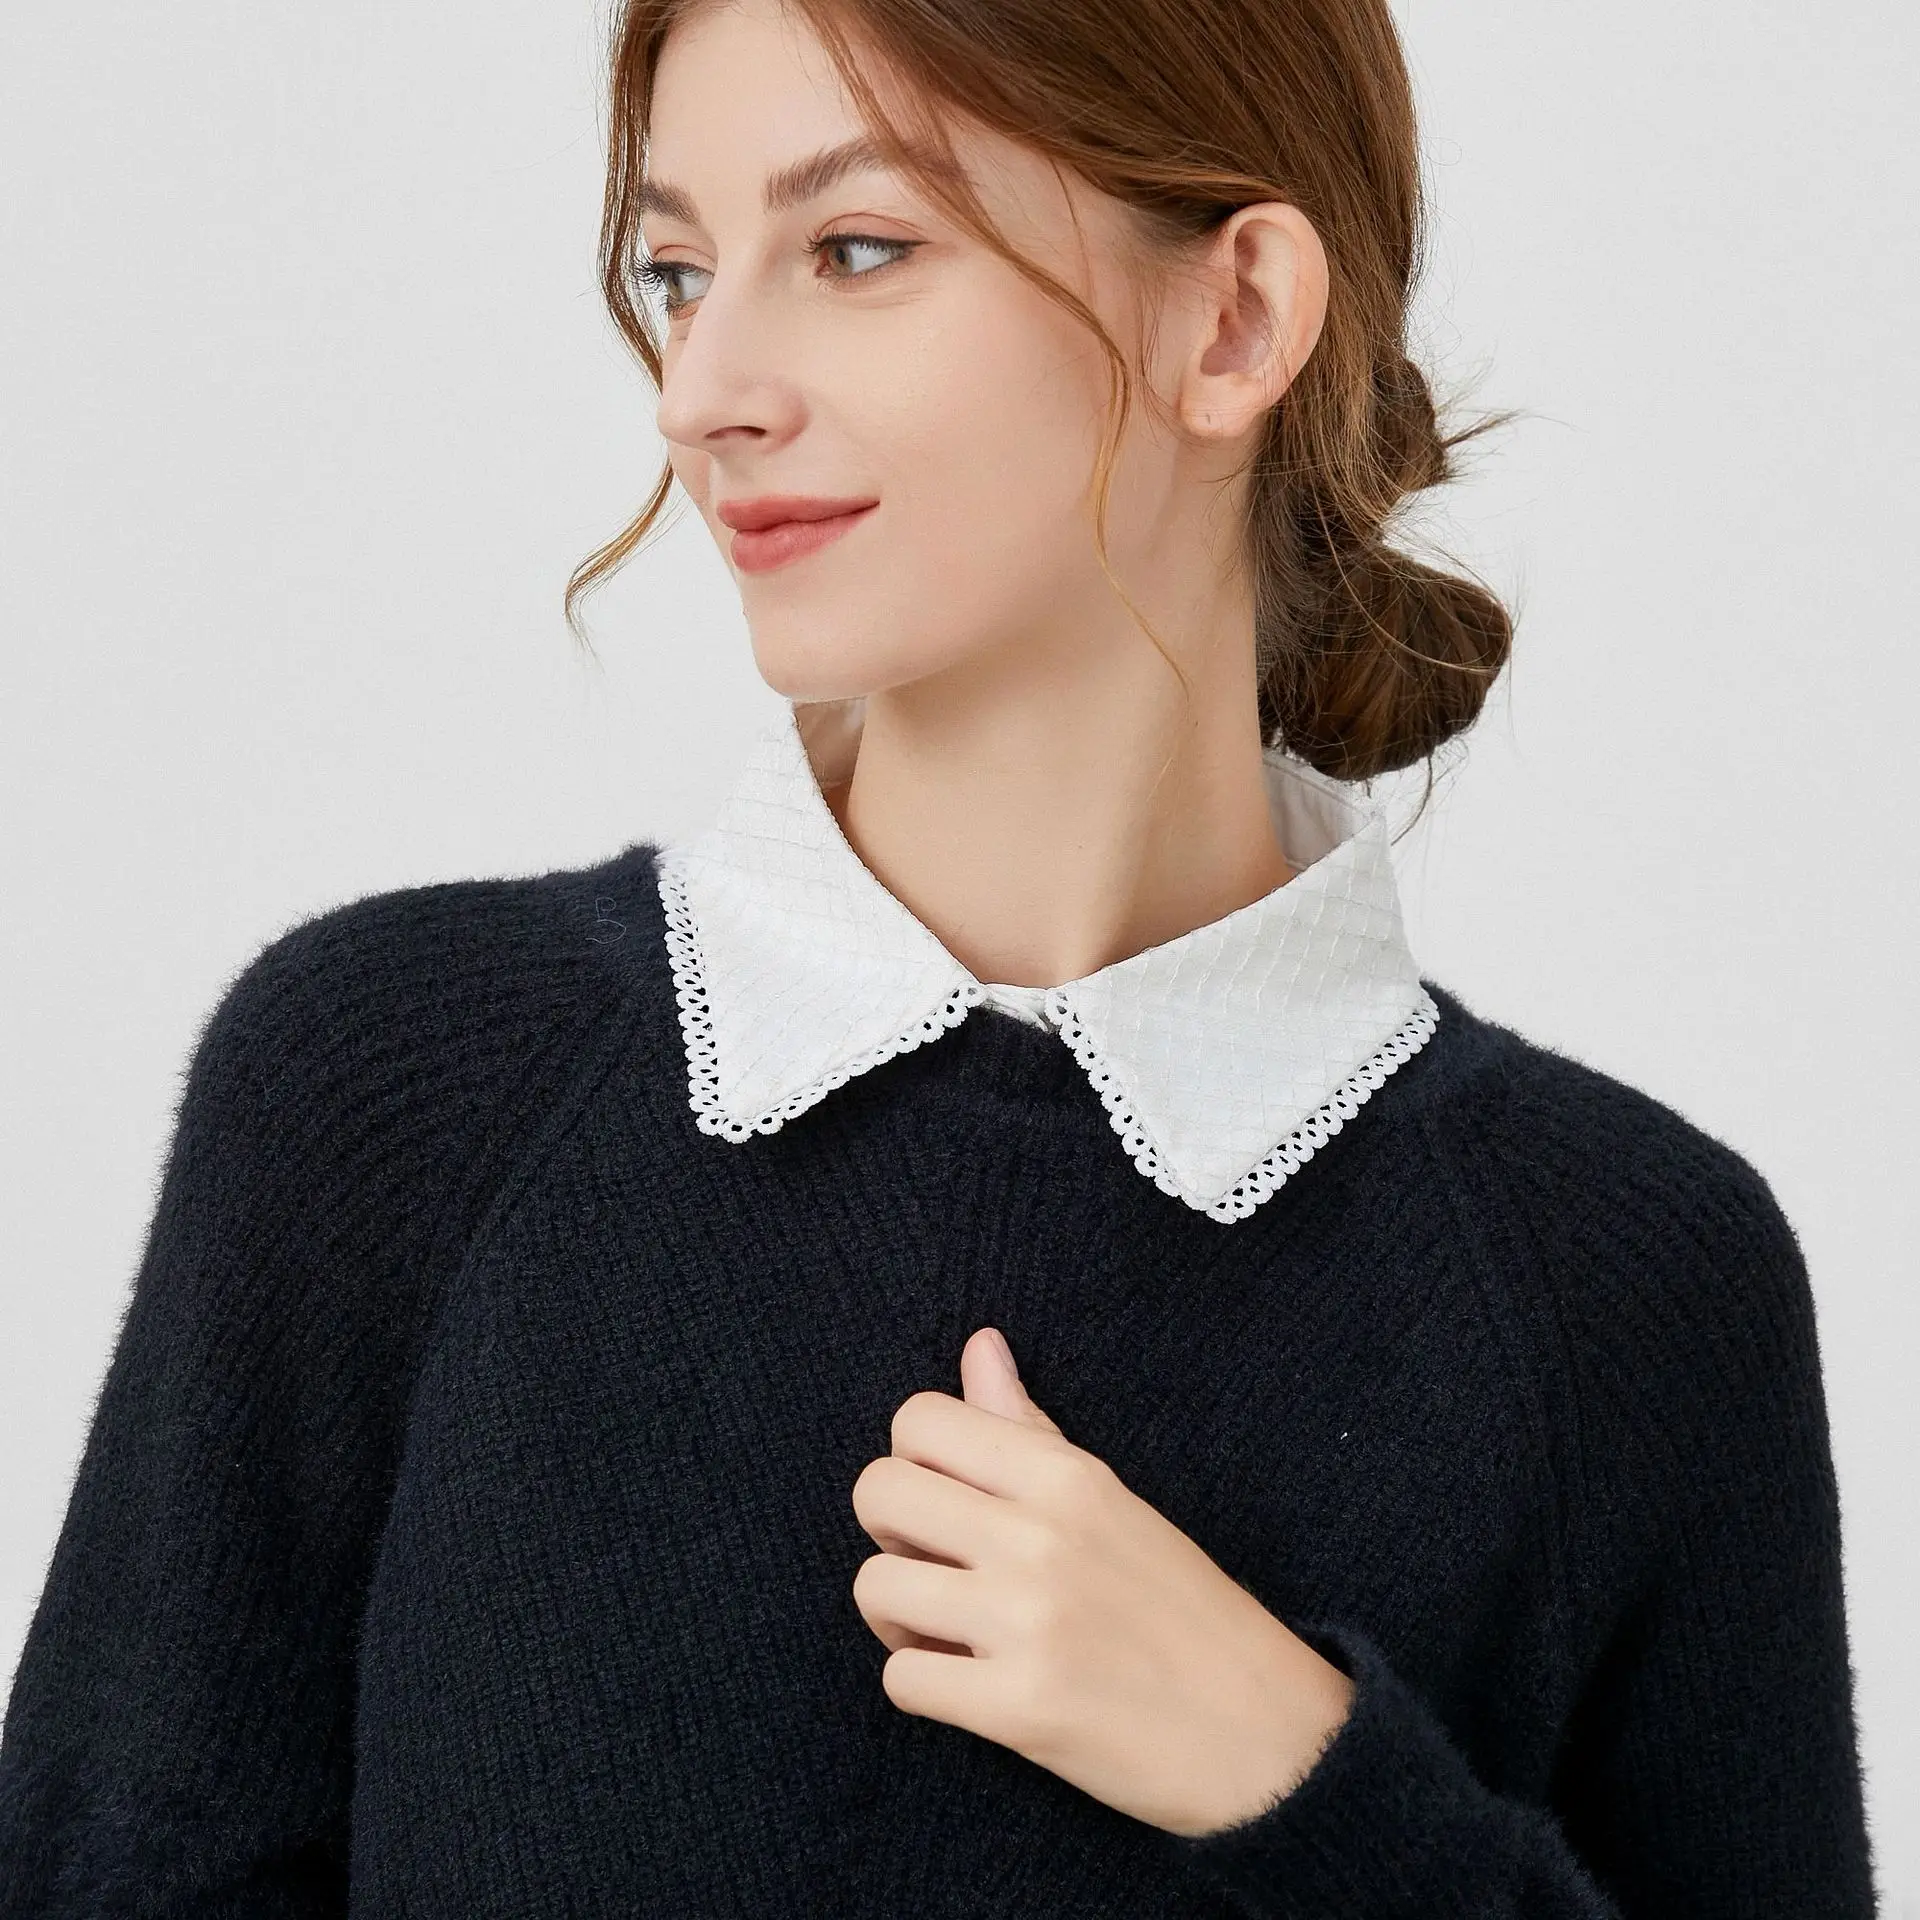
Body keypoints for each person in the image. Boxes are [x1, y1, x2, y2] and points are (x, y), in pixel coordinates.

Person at [0, 0, 1879, 1912]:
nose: (700, 392)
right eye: (677, 271)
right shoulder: (395, 1098)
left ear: (1234, 319)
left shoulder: (1630, 1285)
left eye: (856, 249)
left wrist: (1303, 1781)